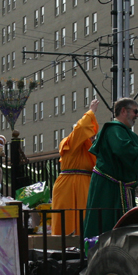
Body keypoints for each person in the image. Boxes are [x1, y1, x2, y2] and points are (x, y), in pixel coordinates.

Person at [82, 98, 138, 239]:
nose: (137, 115)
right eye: (135, 111)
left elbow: (122, 161)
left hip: (117, 186)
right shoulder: (114, 129)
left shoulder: (124, 132)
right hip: (108, 187)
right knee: (105, 223)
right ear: (123, 111)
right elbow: (122, 150)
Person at [51, 98, 100, 236]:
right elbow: (81, 128)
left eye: (93, 136)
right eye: (90, 134)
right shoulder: (71, 142)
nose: (92, 137)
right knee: (67, 219)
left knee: (85, 217)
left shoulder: (90, 149)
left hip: (84, 184)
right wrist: (91, 112)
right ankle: (64, 248)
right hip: (69, 184)